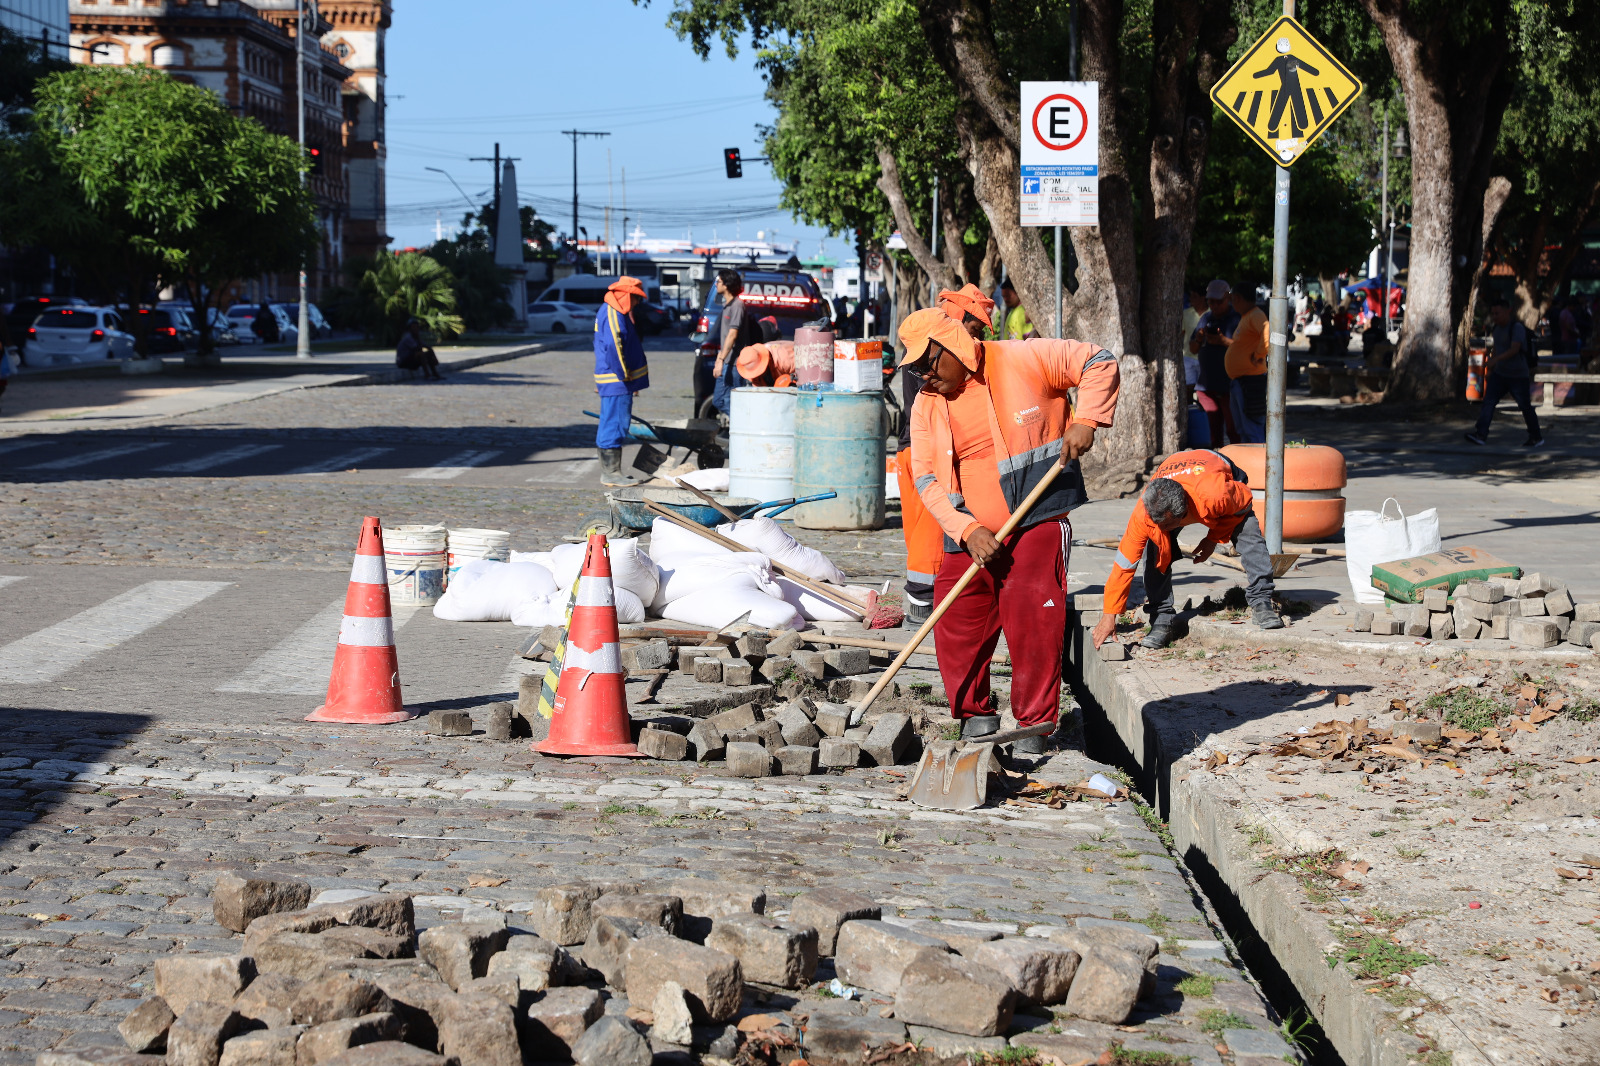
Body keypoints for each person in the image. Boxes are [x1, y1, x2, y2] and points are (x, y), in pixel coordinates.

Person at [899, 306, 1120, 755]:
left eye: (928, 362)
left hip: (1036, 519)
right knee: (956, 619)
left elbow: (1099, 360)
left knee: (1034, 620)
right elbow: (925, 476)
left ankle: (1033, 728)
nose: (923, 375)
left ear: (953, 346)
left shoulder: (1024, 358)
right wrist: (966, 530)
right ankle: (976, 718)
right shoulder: (926, 403)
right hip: (970, 535)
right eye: (916, 367)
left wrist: (1087, 419)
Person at [1093, 449, 1282, 650]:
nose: (1160, 528)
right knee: (1154, 551)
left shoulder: (1216, 494)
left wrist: (1213, 539)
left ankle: (1262, 601)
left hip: (1214, 469)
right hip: (1176, 467)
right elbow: (1124, 565)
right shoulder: (1145, 513)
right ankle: (1162, 619)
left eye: (1165, 525)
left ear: (1182, 514)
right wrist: (1109, 615)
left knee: (1248, 532)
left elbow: (1243, 504)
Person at [890, 283, 997, 627]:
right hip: (926, 454)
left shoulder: (925, 345)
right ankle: (922, 605)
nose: (971, 337)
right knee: (929, 536)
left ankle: (925, 602)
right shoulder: (929, 354)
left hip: (915, 451)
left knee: (925, 534)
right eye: (973, 328)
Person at [593, 276, 651, 486]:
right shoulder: (613, 312)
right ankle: (611, 473)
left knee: (613, 422)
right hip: (617, 380)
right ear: (626, 295)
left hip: (615, 380)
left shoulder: (613, 310)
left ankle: (612, 472)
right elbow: (614, 347)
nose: (637, 303)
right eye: (636, 298)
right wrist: (625, 375)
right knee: (615, 423)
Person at [1465, 298, 1542, 448]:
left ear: (1508, 311)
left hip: (1518, 375)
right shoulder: (1496, 329)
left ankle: (1536, 436)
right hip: (1500, 374)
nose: (1494, 316)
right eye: (1493, 313)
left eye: (1497, 313)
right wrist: (1491, 369)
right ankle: (1481, 434)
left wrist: (1495, 361)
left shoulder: (1516, 328)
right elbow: (1496, 350)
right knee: (1488, 402)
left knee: (1525, 406)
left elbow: (1514, 349)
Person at [1189, 279, 1240, 446]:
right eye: (1211, 302)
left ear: (1228, 298)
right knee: (1213, 432)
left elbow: (1245, 348)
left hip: (1229, 385)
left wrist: (1223, 341)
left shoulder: (1237, 318)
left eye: (1219, 301)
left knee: (1234, 430)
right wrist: (1199, 338)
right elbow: (1193, 348)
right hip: (1207, 385)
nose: (1215, 306)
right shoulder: (1206, 318)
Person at [711, 268, 761, 415]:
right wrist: (720, 358)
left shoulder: (737, 305)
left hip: (735, 364)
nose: (716, 285)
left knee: (730, 401)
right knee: (719, 400)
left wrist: (720, 360)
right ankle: (739, 427)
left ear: (726, 285)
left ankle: (743, 426)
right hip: (727, 361)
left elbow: (732, 335)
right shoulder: (728, 305)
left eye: (718, 282)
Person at [1224, 282, 1268, 444]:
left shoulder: (1255, 315)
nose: (1231, 304)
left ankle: (1258, 465)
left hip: (1250, 382)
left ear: (1238, 298)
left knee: (1252, 428)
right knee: (1243, 429)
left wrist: (1259, 354)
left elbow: (1267, 334)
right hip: (1241, 381)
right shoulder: (1247, 317)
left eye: (1232, 300)